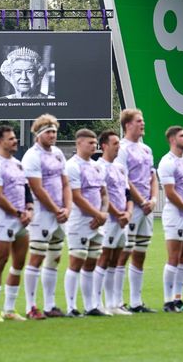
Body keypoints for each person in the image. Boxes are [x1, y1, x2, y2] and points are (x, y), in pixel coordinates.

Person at [22, 114, 71, 319]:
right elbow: (37, 188)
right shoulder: (32, 156)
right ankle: (31, 306)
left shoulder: (58, 153)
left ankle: (50, 304)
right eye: (48, 132)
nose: (52, 135)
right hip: (42, 214)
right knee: (36, 257)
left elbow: (66, 183)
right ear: (39, 134)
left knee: (54, 258)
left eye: (54, 132)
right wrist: (56, 209)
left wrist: (67, 208)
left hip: (60, 214)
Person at [0, 125, 33, 322]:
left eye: (15, 138)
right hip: (5, 220)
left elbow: (27, 190)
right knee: (0, 261)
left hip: (22, 220)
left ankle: (10, 308)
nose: (15, 141)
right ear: (0, 142)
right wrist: (18, 212)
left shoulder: (18, 164)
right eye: (11, 139)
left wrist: (29, 209)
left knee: (19, 263)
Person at [114, 109, 159, 313]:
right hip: (131, 206)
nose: (142, 124)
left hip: (147, 208)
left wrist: (154, 199)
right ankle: (117, 301)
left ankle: (136, 301)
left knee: (140, 253)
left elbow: (152, 177)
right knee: (124, 253)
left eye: (143, 121)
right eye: (139, 121)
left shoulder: (147, 149)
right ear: (128, 125)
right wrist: (141, 201)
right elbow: (123, 179)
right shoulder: (122, 149)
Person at [63, 129, 109, 317]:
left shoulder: (98, 166)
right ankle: (71, 307)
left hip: (97, 222)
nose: (94, 146)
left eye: (95, 143)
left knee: (91, 263)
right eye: (90, 142)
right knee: (76, 261)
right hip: (79, 221)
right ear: (79, 143)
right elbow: (76, 196)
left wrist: (102, 214)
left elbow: (104, 194)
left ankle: (91, 306)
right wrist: (98, 214)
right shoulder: (72, 166)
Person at [157, 126, 183, 313]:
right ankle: (168, 301)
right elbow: (170, 192)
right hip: (175, 214)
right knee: (174, 256)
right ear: (173, 140)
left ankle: (178, 298)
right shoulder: (167, 162)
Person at [94, 130, 133, 316]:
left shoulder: (120, 167)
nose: (119, 146)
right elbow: (102, 196)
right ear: (104, 146)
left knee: (116, 261)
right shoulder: (98, 167)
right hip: (109, 220)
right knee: (104, 258)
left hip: (122, 220)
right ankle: (96, 302)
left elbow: (127, 194)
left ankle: (113, 303)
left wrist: (128, 212)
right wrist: (118, 213)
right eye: (115, 143)